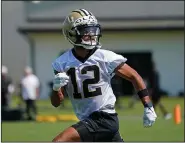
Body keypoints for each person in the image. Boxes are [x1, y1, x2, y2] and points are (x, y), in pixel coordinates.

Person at [51, 9, 157, 142]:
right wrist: (55, 88)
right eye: (85, 31)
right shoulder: (61, 63)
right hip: (88, 120)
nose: (91, 34)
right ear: (72, 33)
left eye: (92, 30)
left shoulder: (105, 57)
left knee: (59, 141)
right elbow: (56, 103)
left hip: (104, 119)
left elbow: (134, 76)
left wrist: (148, 106)